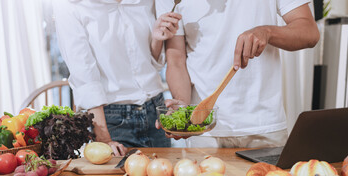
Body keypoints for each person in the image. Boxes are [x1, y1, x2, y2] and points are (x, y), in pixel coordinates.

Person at [156, 0, 320, 148]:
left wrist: (267, 32)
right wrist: (183, 108)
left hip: (263, 128)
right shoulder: (174, 2)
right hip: (205, 131)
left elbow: (309, 32)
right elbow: (176, 60)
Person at [53, 0, 181, 156]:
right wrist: (104, 139)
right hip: (112, 120)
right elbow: (85, 78)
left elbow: (152, 63)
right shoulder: (70, 6)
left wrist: (157, 39)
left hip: (155, 110)